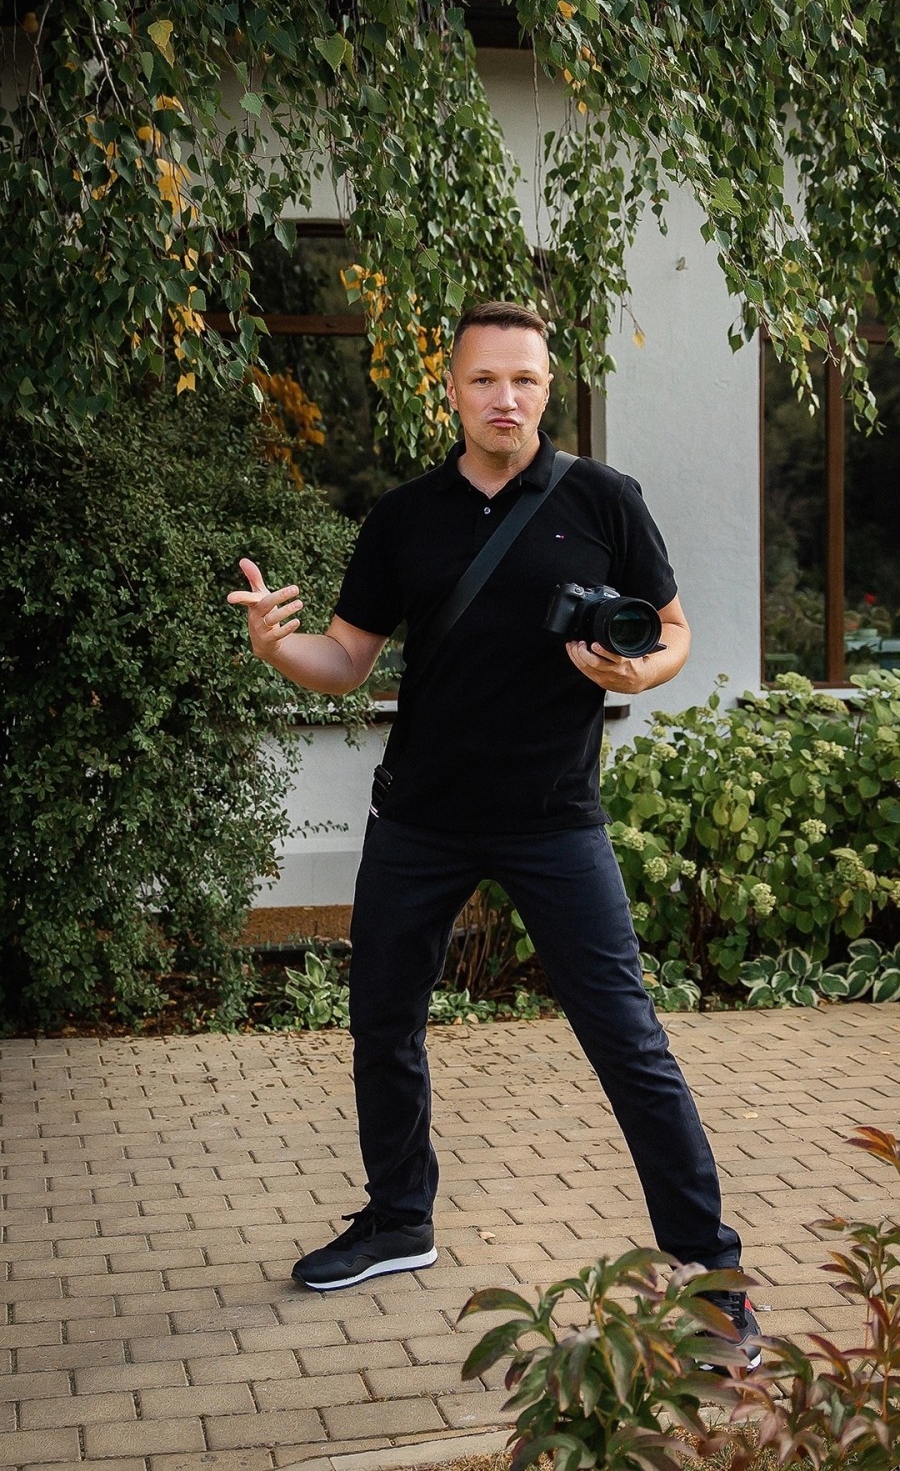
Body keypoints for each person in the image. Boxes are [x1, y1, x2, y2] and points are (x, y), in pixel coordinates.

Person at [228, 301, 760, 1366]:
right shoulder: (403, 519)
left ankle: (712, 1280)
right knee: (382, 1024)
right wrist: (277, 651)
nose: (504, 399)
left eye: (523, 379)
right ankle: (398, 1220)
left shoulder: (603, 499)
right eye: (483, 380)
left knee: (629, 1044)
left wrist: (636, 674)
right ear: (452, 392)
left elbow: (672, 630)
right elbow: (347, 660)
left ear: (548, 388)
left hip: (553, 819)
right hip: (419, 817)